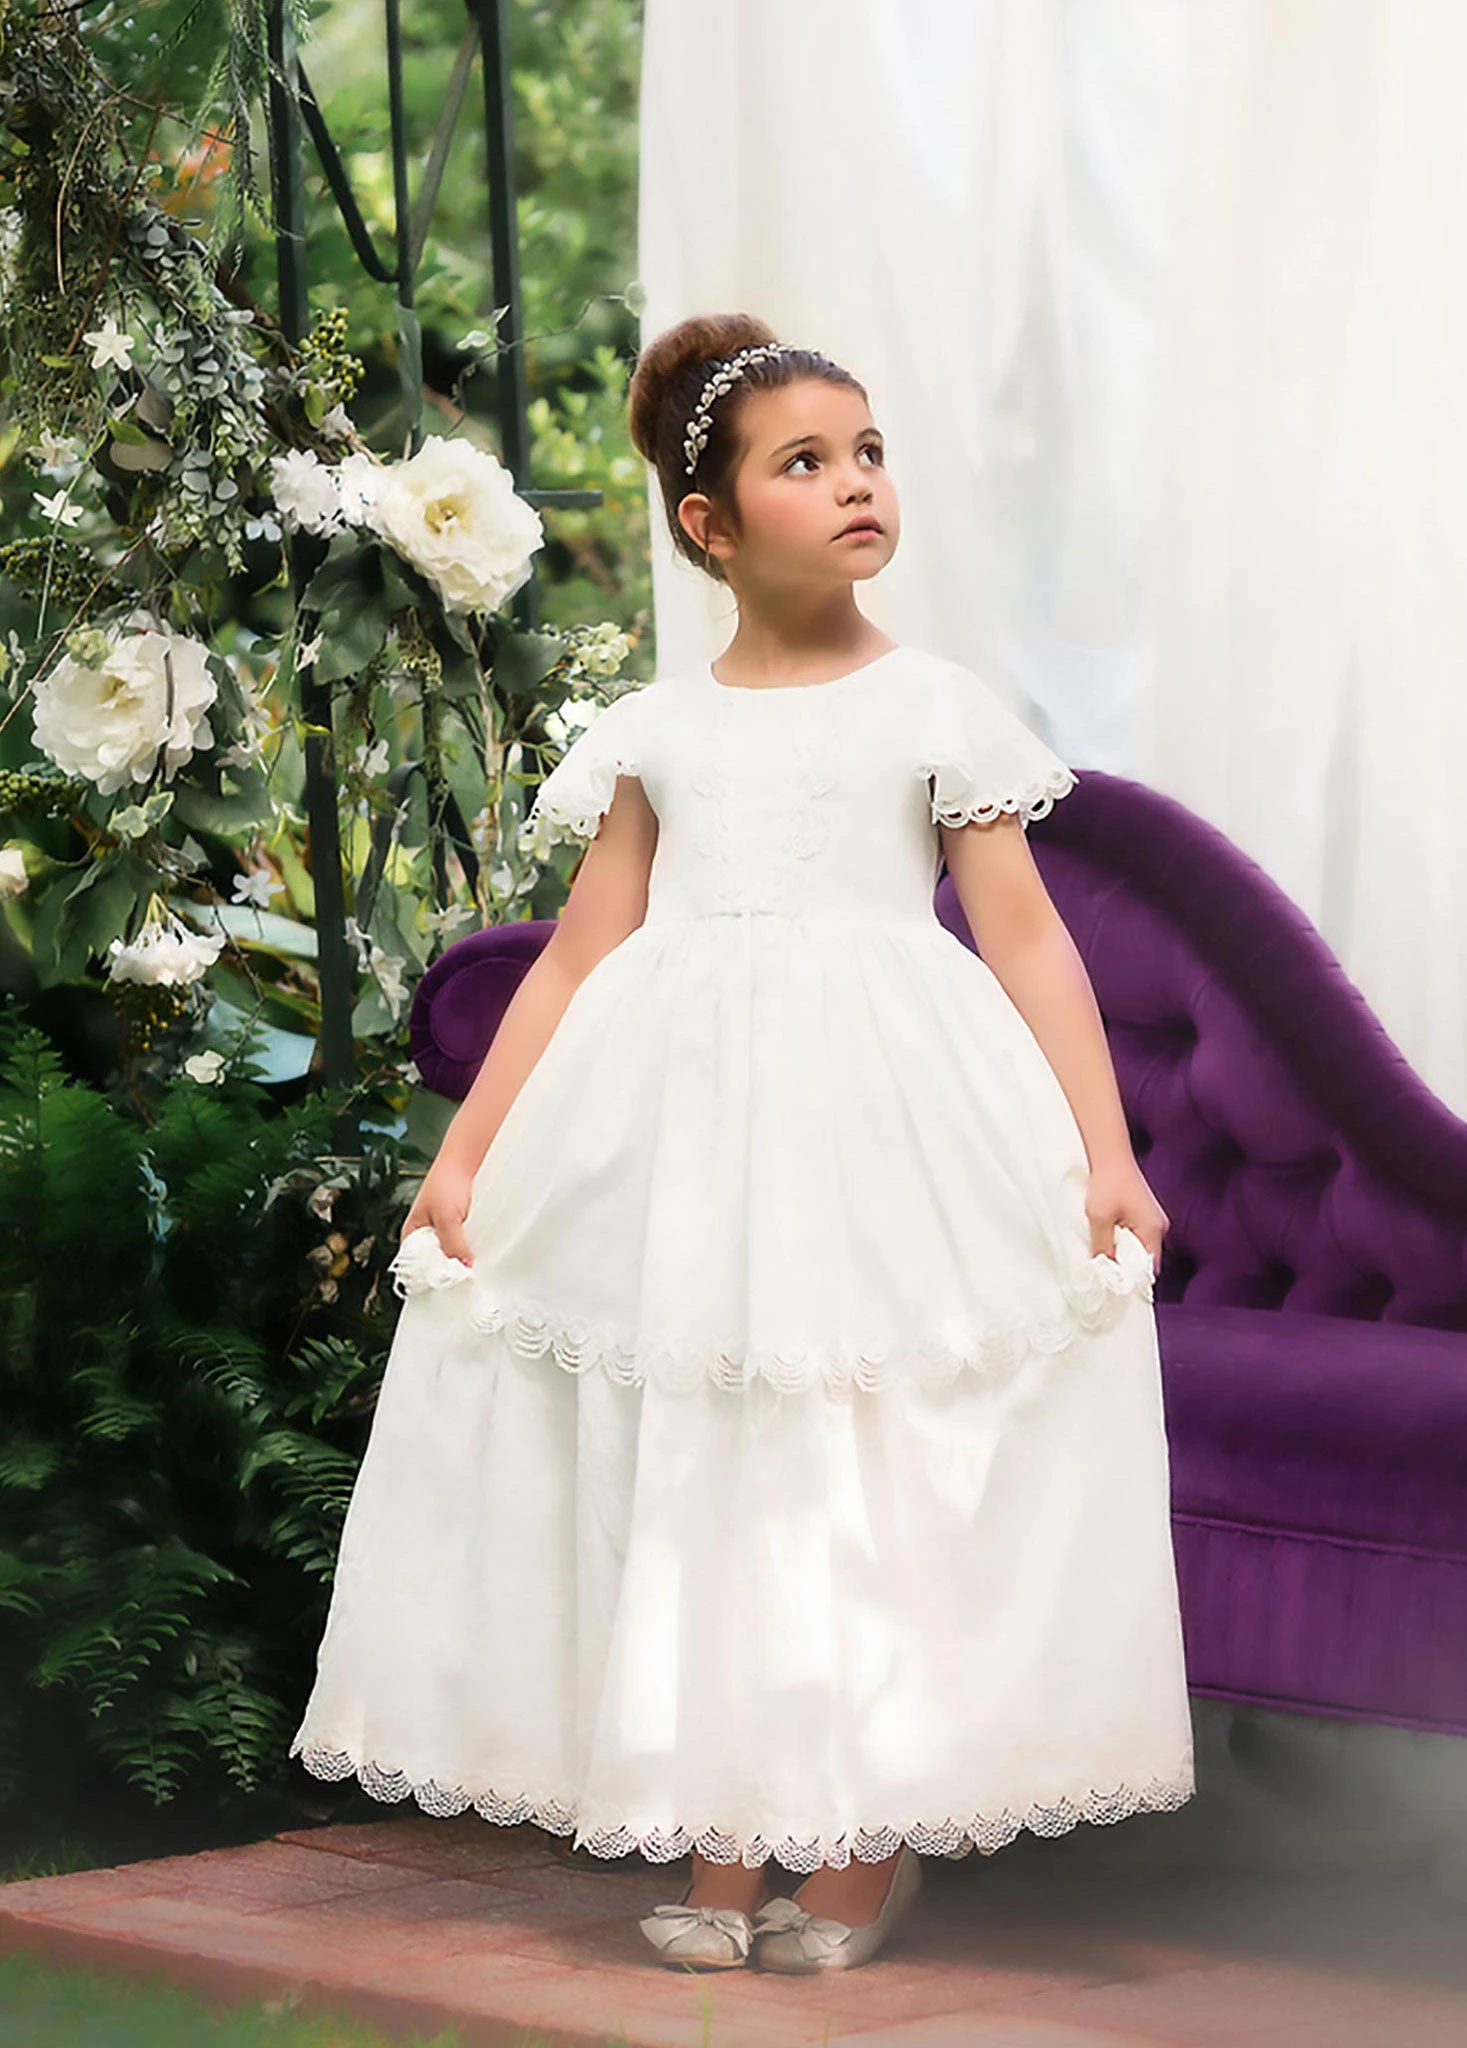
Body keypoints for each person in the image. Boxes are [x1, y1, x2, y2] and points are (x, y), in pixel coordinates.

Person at [289, 312, 1197, 1976]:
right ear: (707, 523)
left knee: (863, 1453)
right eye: (806, 463)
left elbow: (1025, 937)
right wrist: (466, 1156)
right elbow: (577, 955)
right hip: (690, 1133)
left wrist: (1105, 1152)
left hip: (886, 1124)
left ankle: (857, 1842)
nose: (856, 485)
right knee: (708, 1457)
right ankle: (719, 1825)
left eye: (868, 454)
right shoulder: (660, 730)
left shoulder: (933, 707)